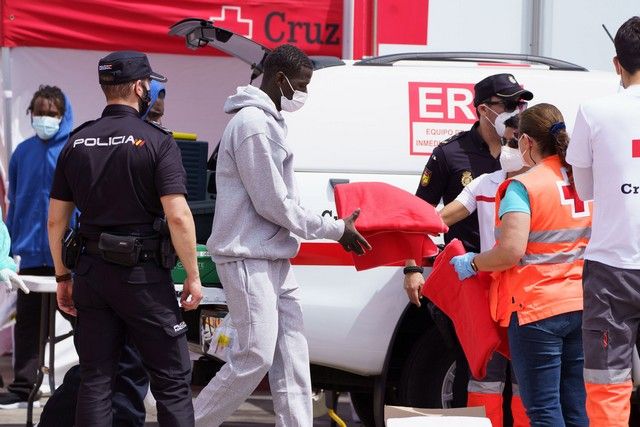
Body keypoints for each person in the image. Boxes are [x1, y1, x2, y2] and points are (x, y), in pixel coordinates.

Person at [192, 44, 370, 427]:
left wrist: (329, 226)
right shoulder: (254, 125)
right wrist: (334, 229)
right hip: (248, 255)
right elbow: (273, 203)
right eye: (301, 84)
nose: (303, 93)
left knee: (292, 355)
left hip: (270, 256)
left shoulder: (268, 122)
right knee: (255, 356)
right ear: (279, 79)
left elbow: (279, 200)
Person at [47, 50, 202, 427]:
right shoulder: (157, 142)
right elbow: (178, 216)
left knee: (96, 381)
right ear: (139, 86)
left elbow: (55, 222)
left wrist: (62, 277)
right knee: (172, 382)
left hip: (92, 275)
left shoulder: (77, 142)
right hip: (144, 279)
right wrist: (193, 276)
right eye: (148, 84)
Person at [451, 103, 590, 425]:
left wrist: (473, 262)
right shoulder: (584, 181)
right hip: (582, 304)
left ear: (526, 141)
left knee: (543, 409)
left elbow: (510, 252)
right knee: (575, 406)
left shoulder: (523, 187)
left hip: (535, 309)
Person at [404, 73, 532, 408]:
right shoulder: (451, 154)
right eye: (506, 103)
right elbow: (423, 213)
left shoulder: (527, 153)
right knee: (471, 365)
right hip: (470, 280)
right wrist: (412, 267)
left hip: (518, 282)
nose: (515, 110)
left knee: (519, 375)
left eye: (519, 103)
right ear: (482, 109)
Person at [566, 16, 640, 427]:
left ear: (617, 64)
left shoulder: (593, 112)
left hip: (611, 269)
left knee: (608, 383)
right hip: (612, 267)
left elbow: (585, 191)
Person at [438, 115, 529, 427]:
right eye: (505, 141)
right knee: (483, 377)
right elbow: (442, 218)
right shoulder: (485, 183)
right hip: (491, 294)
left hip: (529, 297)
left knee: (526, 383)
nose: (507, 148)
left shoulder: (540, 185)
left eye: (514, 142)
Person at [0, 85, 73, 409]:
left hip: (66, 254)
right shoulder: (22, 152)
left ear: (63, 115)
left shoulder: (72, 150)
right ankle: (23, 387)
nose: (45, 118)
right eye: (39, 112)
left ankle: (93, 382)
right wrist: (9, 247)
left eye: (51, 113)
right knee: (28, 324)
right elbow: (14, 202)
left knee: (81, 319)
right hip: (29, 253)